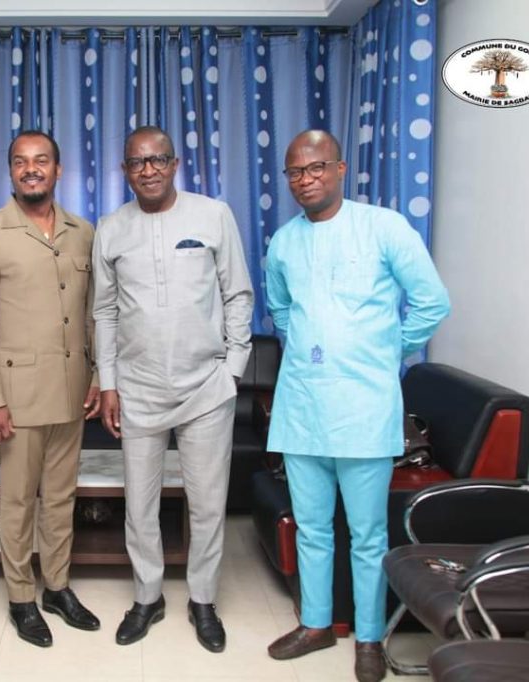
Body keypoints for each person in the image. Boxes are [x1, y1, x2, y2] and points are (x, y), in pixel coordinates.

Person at [264, 130, 450, 682]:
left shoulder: (383, 227)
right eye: (295, 172)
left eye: (316, 167)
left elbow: (432, 302)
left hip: (365, 407)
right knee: (312, 527)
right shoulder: (283, 242)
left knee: (367, 534)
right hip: (302, 405)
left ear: (341, 169)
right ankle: (316, 624)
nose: (306, 179)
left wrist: (385, 351)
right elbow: (281, 310)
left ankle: (368, 637)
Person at [93, 126, 253, 653]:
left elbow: (238, 293)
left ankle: (203, 599)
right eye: (137, 162)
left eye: (158, 159)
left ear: (175, 163)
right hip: (138, 388)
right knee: (139, 505)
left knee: (207, 503)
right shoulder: (111, 228)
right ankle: (148, 596)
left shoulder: (213, 215)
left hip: (206, 387)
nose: (149, 170)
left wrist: (233, 368)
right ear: (124, 170)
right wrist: (109, 383)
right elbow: (104, 311)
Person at [0, 131, 102, 648]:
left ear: (58, 170)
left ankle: (57, 587)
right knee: (18, 501)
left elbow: (92, 314)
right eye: (20, 162)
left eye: (41, 160)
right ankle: (21, 597)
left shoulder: (83, 232)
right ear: (11, 171)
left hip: (72, 390)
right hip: (15, 398)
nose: (31, 169)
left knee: (61, 498)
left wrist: (98, 377)